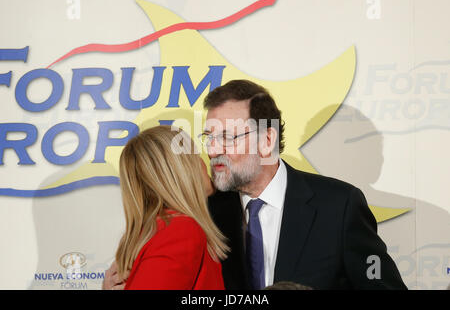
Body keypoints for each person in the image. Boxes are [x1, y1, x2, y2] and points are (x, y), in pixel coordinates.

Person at [104, 80, 407, 290]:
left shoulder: (338, 206)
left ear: (266, 140)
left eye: (227, 137)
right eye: (210, 137)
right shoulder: (201, 214)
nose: (212, 150)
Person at [110, 125, 228, 289]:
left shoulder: (158, 231)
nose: (205, 162)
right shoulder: (181, 231)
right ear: (182, 170)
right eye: (196, 155)